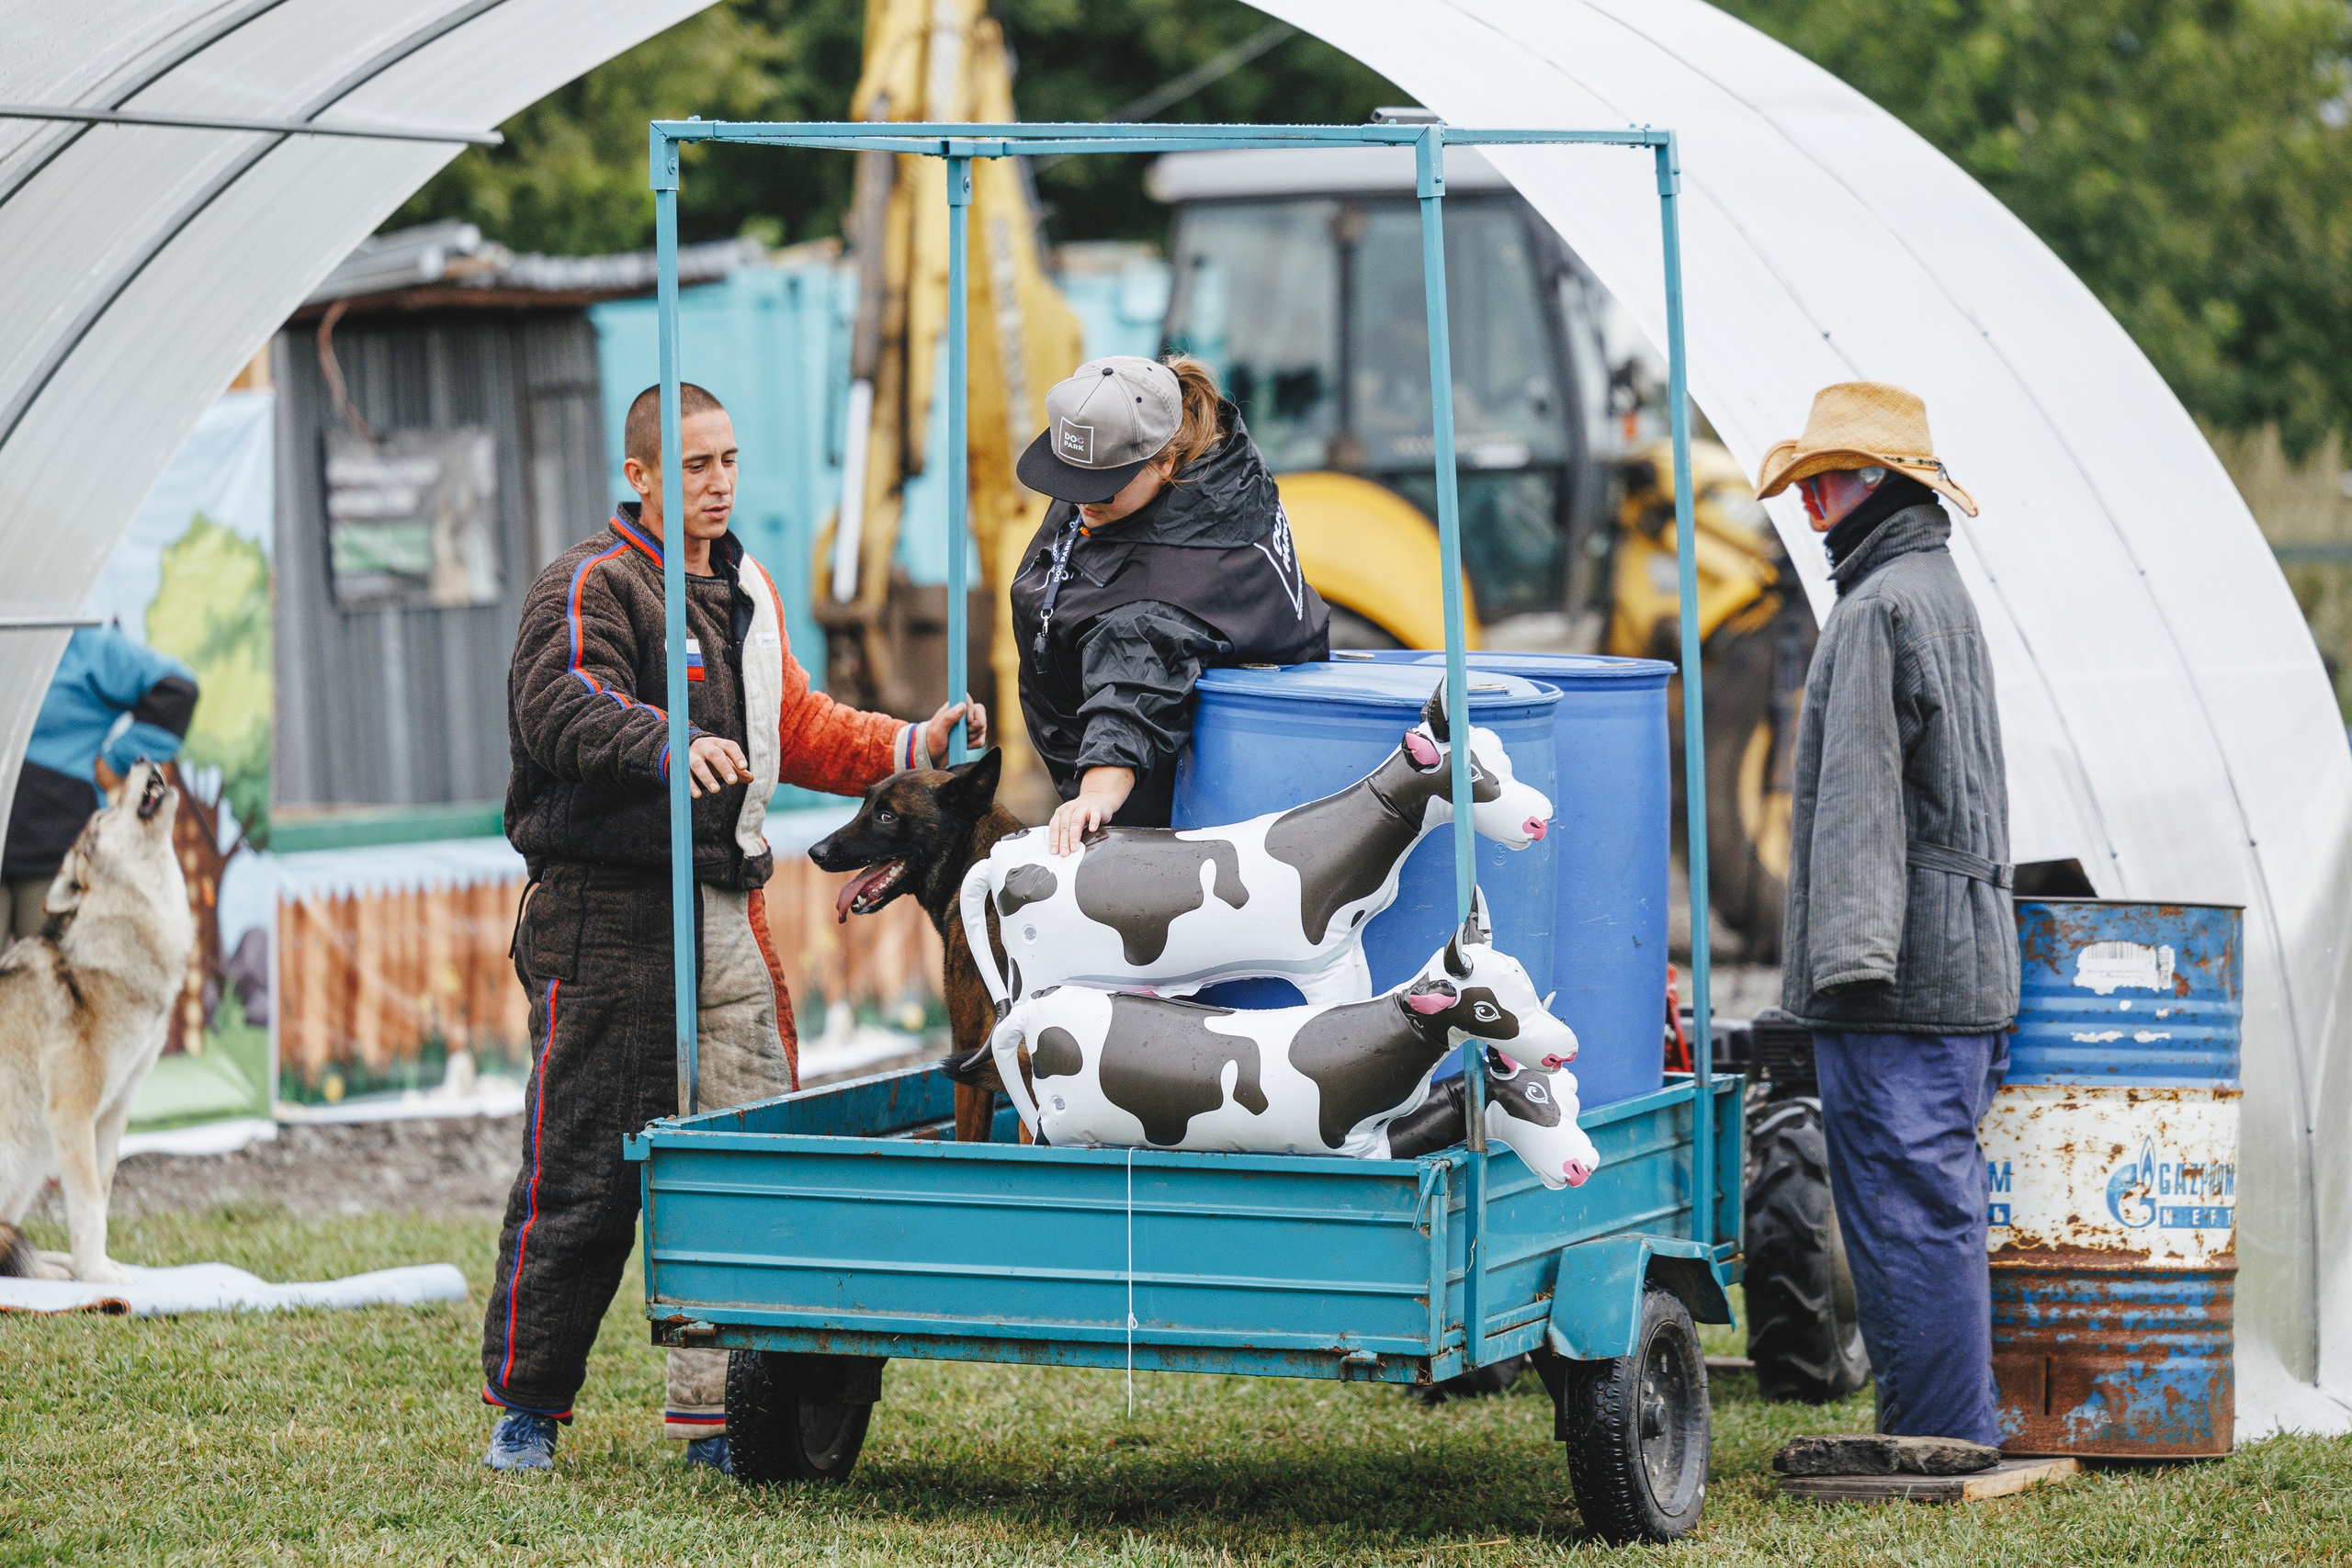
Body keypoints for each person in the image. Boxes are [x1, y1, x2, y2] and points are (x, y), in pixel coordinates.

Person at [481, 381, 982, 1472]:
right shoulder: (588, 586)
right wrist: (665, 744)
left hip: (724, 916)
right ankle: (528, 1411)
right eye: (695, 464)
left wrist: (911, 746)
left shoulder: (750, 585)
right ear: (641, 476)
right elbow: (562, 702)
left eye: (730, 461)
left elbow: (794, 724)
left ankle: (719, 1415)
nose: (719, 483)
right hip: (605, 920)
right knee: (582, 1178)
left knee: (753, 1176)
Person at [1758, 380, 2019, 1444]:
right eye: (1809, 484)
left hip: (1900, 984)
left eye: (1827, 481)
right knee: (1936, 1210)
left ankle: (1941, 1435)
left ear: (1881, 487)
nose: (1813, 504)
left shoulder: (1877, 608)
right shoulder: (1938, 589)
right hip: (1962, 963)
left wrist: (1848, 970)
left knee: (1907, 1216)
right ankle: (1950, 1422)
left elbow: (1862, 806)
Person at [1009, 355, 1329, 854]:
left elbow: (1133, 693)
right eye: (1070, 478)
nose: (1082, 502)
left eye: (1102, 485)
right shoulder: (1204, 467)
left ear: (1165, 461)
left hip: (1169, 824)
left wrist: (1095, 793)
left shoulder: (1164, 594)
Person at [3, 626, 198, 939]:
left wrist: (118, 760)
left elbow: (178, 690)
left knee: (55, 979)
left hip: (57, 854)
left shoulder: (81, 645)